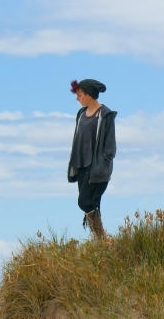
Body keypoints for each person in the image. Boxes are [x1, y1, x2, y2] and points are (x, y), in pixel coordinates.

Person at [67, 79, 117, 239]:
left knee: (84, 202)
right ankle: (100, 242)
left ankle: (101, 237)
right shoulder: (81, 114)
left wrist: (102, 164)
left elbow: (110, 147)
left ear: (88, 95)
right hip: (80, 164)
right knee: (92, 203)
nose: (77, 99)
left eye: (79, 95)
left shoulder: (105, 114)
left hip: (95, 167)